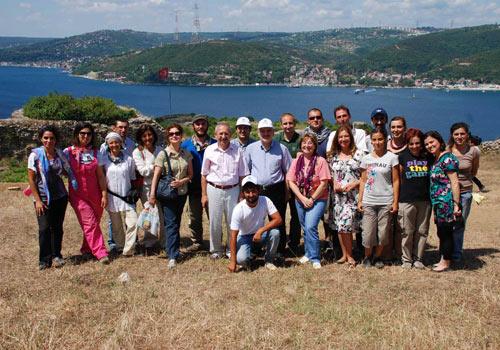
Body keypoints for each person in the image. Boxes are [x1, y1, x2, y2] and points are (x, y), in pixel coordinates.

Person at [245, 118, 292, 260]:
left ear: (273, 131)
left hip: (276, 189)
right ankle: (255, 248)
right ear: (258, 132)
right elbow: (246, 171)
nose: (266, 133)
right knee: (254, 220)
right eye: (262, 131)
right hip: (256, 189)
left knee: (278, 219)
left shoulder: (282, 148)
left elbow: (288, 172)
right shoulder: (250, 149)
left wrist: (287, 192)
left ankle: (278, 250)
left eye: (268, 131)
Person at [28, 125, 73, 270]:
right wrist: (38, 200)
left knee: (57, 227)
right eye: (46, 138)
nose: (49, 141)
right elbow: (31, 180)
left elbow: (66, 171)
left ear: (56, 139)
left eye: (52, 138)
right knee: (44, 228)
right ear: (41, 139)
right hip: (43, 198)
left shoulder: (59, 154)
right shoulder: (35, 155)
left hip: (60, 196)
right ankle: (44, 259)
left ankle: (57, 255)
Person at [201, 122, 248, 259]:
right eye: (220, 134)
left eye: (226, 133)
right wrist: (204, 194)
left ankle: (230, 248)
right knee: (215, 221)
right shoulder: (209, 150)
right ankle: (216, 250)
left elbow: (243, 175)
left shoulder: (238, 150)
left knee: (232, 220)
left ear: (231, 135)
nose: (223, 136)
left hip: (233, 189)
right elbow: (203, 174)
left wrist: (242, 194)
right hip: (214, 188)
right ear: (215, 135)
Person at [64, 123, 109, 265]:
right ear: (77, 134)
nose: (85, 136)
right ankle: (101, 252)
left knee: (93, 223)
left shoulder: (96, 153)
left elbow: (101, 176)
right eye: (82, 133)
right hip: (78, 195)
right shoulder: (68, 152)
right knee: (89, 222)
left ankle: (86, 248)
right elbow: (58, 167)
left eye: (89, 134)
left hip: (96, 193)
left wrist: (104, 194)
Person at [150, 124, 193, 269]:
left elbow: (191, 175)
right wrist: (152, 194)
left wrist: (182, 181)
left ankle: (173, 250)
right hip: (167, 195)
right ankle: (173, 255)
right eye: (171, 134)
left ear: (181, 135)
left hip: (181, 194)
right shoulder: (163, 154)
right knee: (171, 223)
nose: (174, 136)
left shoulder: (186, 153)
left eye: (177, 133)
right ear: (168, 137)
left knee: (176, 221)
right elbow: (156, 175)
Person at [287, 133, 331, 269]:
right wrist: (302, 198)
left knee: (311, 226)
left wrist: (311, 199)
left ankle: (315, 257)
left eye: (310, 143)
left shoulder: (321, 161)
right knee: (305, 227)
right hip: (300, 199)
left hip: (318, 199)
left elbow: (324, 183)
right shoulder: (296, 161)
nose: (307, 145)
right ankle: (307, 253)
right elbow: (291, 181)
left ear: (315, 146)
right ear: (301, 145)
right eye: (304, 143)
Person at [358, 128, 400, 269]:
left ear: (385, 140)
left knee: (383, 234)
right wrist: (360, 200)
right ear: (371, 141)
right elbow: (363, 180)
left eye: (380, 139)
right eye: (374, 140)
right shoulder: (366, 159)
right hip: (369, 201)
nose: (377, 142)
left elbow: (395, 181)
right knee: (368, 234)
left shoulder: (392, 158)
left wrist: (395, 201)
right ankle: (367, 257)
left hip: (385, 202)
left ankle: (377, 257)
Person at [327, 125, 365, 267]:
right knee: (340, 226)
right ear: (337, 139)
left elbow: (365, 176)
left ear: (351, 138)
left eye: (346, 136)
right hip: (338, 197)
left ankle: (350, 256)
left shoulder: (359, 154)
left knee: (347, 225)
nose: (343, 139)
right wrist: (334, 184)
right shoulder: (332, 156)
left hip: (354, 196)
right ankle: (345, 255)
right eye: (341, 136)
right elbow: (330, 175)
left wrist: (355, 184)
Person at [228, 175, 282, 272]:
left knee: (275, 233)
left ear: (259, 190)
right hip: (244, 236)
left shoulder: (265, 200)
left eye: (253, 191)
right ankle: (252, 254)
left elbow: (278, 219)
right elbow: (233, 236)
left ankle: (269, 260)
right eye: (247, 192)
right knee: (241, 260)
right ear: (243, 193)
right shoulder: (238, 209)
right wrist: (233, 261)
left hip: (260, 234)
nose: (251, 194)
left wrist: (261, 230)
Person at [424, 130, 461, 272]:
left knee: (446, 232)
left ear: (440, 141)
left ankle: (446, 262)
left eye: (432, 142)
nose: (429, 145)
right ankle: (443, 259)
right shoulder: (436, 159)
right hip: (438, 203)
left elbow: (454, 182)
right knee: (441, 231)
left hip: (447, 203)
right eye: (426, 144)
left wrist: (456, 204)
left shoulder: (447, 159)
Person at [397, 128, 432, 269]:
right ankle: (406, 259)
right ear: (407, 144)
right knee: (407, 231)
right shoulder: (402, 156)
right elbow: (398, 178)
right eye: (411, 143)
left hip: (424, 200)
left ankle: (418, 258)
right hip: (406, 199)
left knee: (422, 231)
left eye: (417, 143)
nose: (415, 146)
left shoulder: (427, 157)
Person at [100, 118, 136, 253]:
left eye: (117, 142)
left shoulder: (129, 159)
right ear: (108, 145)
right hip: (112, 196)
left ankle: (129, 249)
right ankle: (120, 246)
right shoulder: (103, 160)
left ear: (121, 144)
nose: (114, 145)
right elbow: (101, 177)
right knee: (116, 226)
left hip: (126, 195)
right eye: (111, 143)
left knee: (132, 222)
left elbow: (132, 177)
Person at [181, 115, 216, 252]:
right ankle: (197, 242)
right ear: (193, 126)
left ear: (207, 126)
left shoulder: (214, 143)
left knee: (213, 216)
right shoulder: (186, 145)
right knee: (195, 217)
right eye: (198, 124)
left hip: (212, 187)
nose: (200, 126)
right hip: (194, 188)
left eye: (203, 124)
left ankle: (215, 243)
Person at [448, 122, 480, 264]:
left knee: (459, 224)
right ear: (452, 136)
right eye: (456, 134)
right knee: (447, 224)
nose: (459, 137)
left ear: (467, 134)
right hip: (448, 193)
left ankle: (456, 254)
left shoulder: (474, 151)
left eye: (462, 134)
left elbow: (474, 171)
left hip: (465, 193)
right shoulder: (447, 150)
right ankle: (446, 251)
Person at [133, 124, 164, 255]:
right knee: (149, 214)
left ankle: (164, 241)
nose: (147, 138)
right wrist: (157, 165)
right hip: (146, 187)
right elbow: (143, 171)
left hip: (161, 186)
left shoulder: (160, 149)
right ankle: (149, 242)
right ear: (140, 138)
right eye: (144, 136)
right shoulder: (138, 152)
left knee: (162, 214)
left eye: (150, 135)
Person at [274, 112, 301, 253]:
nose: (288, 126)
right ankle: (281, 244)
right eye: (285, 123)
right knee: (281, 214)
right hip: (281, 183)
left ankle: (294, 243)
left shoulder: (300, 139)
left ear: (294, 124)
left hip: (298, 184)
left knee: (296, 215)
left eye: (290, 123)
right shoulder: (276, 139)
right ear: (281, 125)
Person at [383, 116, 408, 262]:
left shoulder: (410, 145)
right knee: (387, 225)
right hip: (386, 190)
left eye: (399, 127)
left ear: (404, 128)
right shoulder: (385, 146)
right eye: (393, 127)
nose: (396, 130)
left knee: (401, 225)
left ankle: (399, 254)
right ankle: (386, 254)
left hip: (405, 189)